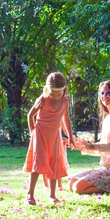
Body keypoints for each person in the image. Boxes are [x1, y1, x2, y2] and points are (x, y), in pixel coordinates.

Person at [24, 72, 74, 205]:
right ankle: (30, 193)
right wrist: (32, 132)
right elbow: (30, 116)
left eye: (59, 93)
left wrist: (70, 137)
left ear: (64, 90)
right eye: (52, 93)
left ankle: (52, 194)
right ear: (47, 89)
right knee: (38, 162)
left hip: (55, 136)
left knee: (54, 163)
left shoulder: (65, 101)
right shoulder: (43, 100)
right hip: (40, 134)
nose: (56, 96)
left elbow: (66, 119)